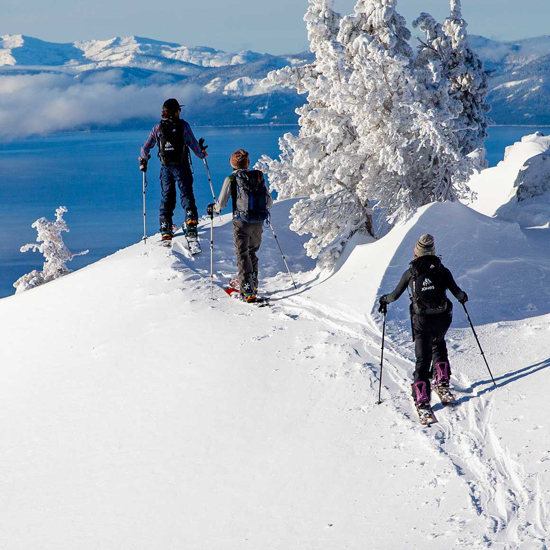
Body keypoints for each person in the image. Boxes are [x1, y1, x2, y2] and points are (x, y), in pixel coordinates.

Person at [378, 234, 468, 412]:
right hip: (443, 318)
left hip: (421, 320)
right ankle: (442, 378)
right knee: (439, 342)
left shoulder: (411, 272)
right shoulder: (442, 270)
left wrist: (384, 300)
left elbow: (394, 296)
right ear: (433, 251)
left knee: (422, 359)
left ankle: (422, 396)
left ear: (416, 252)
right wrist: (464, 298)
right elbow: (458, 293)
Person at [207, 149, 273, 303]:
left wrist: (213, 208)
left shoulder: (231, 178)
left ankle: (247, 289)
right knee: (252, 252)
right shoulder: (258, 177)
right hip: (258, 221)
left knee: (242, 255)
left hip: (241, 222)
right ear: (247, 163)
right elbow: (269, 200)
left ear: (232, 163)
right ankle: (253, 284)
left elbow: (221, 204)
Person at [139, 98, 208, 242]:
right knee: (186, 194)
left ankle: (166, 227)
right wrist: (202, 154)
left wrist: (143, 159)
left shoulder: (158, 127)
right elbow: (194, 145)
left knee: (167, 197)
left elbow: (145, 147)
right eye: (179, 109)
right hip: (182, 167)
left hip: (166, 168)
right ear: (176, 111)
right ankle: (190, 223)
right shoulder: (184, 126)